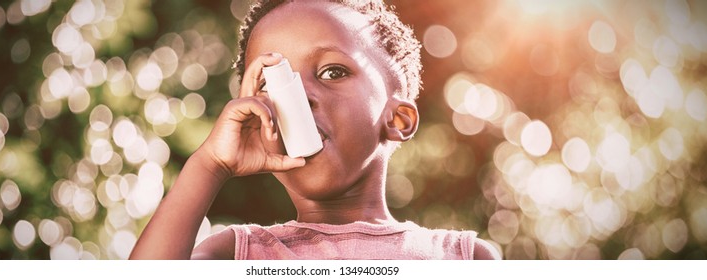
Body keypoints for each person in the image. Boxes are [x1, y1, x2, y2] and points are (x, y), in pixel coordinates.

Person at [130, 0, 500, 260]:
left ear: (397, 119)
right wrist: (209, 165)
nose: (300, 97)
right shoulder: (234, 255)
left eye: (332, 72)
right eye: (272, 85)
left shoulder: (463, 259)